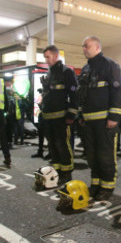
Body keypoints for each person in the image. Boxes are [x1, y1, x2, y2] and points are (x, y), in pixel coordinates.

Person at [78, 36, 121, 200]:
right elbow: (82, 95)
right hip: (89, 122)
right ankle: (96, 183)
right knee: (91, 155)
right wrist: (81, 115)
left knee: (105, 156)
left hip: (105, 122)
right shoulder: (86, 69)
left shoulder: (110, 66)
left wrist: (114, 117)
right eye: (83, 46)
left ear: (97, 47)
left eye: (87, 46)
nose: (84, 48)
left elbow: (118, 93)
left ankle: (107, 187)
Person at [42, 45, 78, 183]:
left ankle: (67, 173)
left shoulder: (66, 72)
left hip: (62, 118)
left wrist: (71, 115)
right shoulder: (50, 73)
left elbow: (74, 94)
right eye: (45, 57)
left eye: (48, 57)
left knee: (63, 146)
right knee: (53, 146)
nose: (46, 60)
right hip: (49, 118)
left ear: (56, 56)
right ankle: (57, 172)